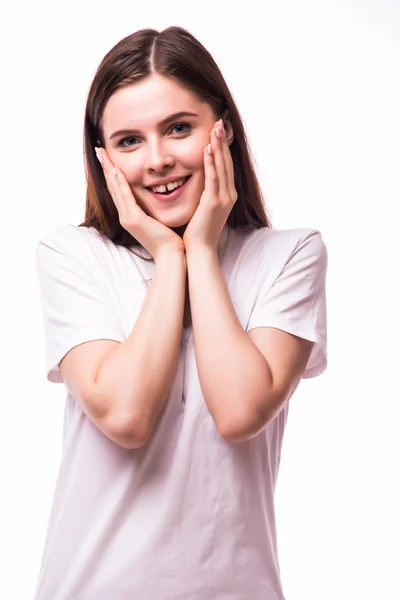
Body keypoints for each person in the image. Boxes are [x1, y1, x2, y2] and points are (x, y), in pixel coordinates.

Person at [34, 25, 328, 600]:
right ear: (104, 158)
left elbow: (240, 410)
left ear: (223, 129)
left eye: (178, 128)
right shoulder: (73, 256)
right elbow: (126, 415)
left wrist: (199, 249)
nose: (159, 160)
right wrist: (170, 255)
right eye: (128, 141)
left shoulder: (289, 254)